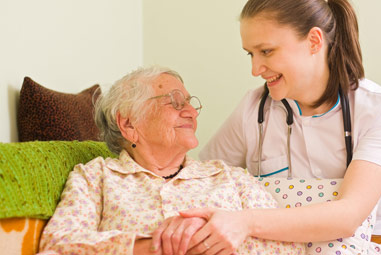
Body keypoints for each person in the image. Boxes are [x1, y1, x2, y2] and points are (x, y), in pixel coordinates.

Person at [192, 0, 381, 254]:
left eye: (266, 51)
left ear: (314, 41)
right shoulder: (253, 111)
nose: (255, 69)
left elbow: (348, 216)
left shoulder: (380, 107)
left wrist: (245, 222)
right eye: (250, 54)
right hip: (299, 248)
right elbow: (198, 182)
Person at [38, 66, 305, 255]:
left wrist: (210, 238)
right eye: (176, 103)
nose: (191, 112)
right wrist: (155, 246)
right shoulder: (95, 177)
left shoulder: (228, 176)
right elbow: (58, 245)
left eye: (190, 103)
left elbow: (291, 247)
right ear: (129, 123)